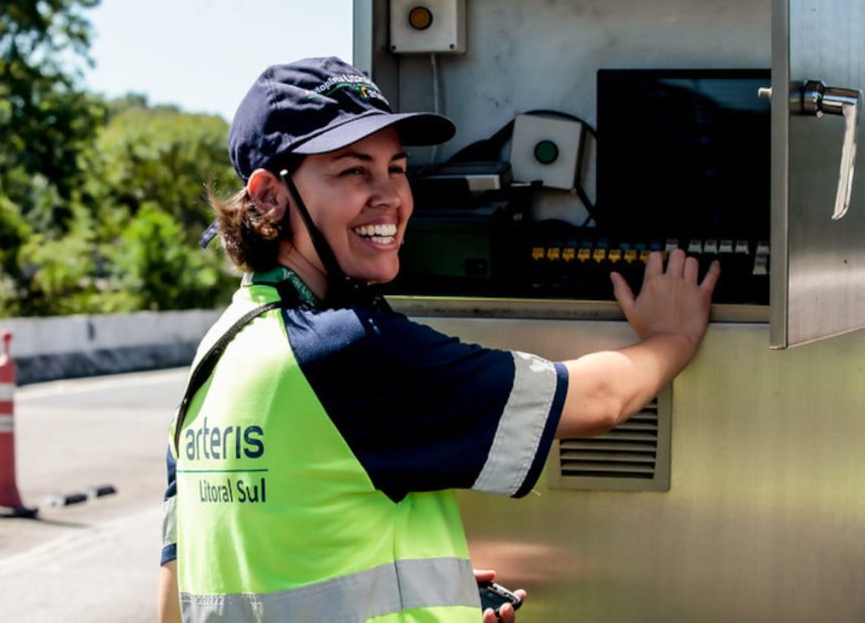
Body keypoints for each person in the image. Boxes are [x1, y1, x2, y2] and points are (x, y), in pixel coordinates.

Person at [158, 57, 719, 623]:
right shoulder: (346, 353)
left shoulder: (216, 357)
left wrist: (428, 595)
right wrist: (673, 336)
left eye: (397, 169)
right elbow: (598, 400)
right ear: (270, 195)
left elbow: (179, 595)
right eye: (354, 171)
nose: (391, 197)